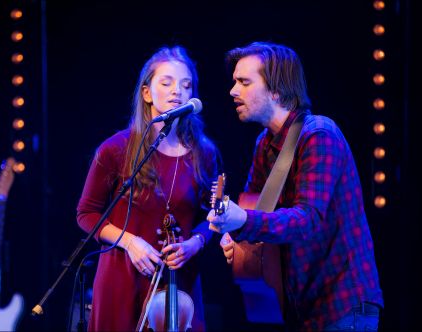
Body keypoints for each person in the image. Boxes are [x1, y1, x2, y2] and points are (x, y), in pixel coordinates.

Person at [207, 41, 384, 331]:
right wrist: (234, 239)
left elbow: (307, 221)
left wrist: (243, 221)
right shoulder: (264, 143)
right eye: (234, 81)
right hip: (298, 309)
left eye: (244, 82)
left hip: (341, 305)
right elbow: (255, 210)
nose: (233, 91)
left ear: (277, 89)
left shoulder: (320, 135)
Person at [77, 45, 220, 331]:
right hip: (122, 277)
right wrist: (130, 241)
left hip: (178, 288)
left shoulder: (204, 153)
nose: (176, 91)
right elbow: (87, 214)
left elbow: (213, 216)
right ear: (146, 93)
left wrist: (195, 243)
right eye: (166, 83)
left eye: (185, 84)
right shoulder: (116, 149)